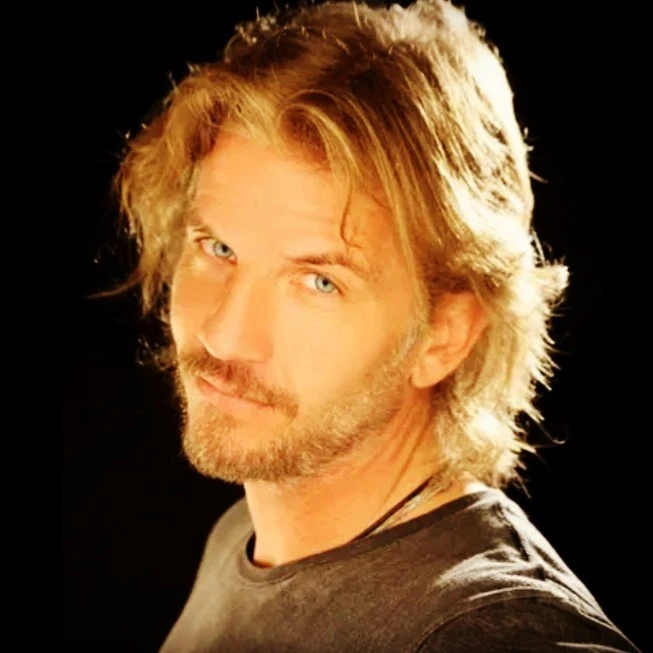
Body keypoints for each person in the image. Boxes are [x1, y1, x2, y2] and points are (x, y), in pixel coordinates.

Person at [114, 1, 640, 650]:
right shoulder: (245, 536)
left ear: (445, 334)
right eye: (218, 249)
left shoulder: (491, 635)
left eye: (319, 282)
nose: (224, 336)